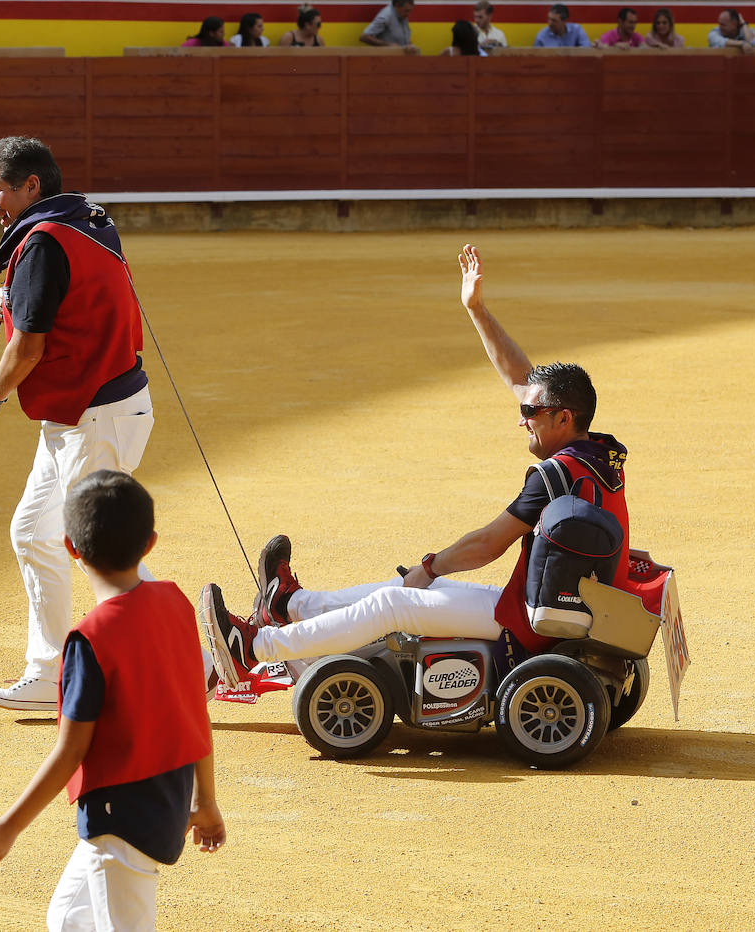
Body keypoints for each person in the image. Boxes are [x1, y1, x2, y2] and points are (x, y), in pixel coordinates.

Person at [199, 245, 635, 687]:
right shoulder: (600, 452)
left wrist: (429, 566)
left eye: (530, 414)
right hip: (563, 606)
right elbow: (523, 380)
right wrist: (477, 309)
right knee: (414, 591)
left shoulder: (553, 475)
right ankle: (291, 606)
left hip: (531, 623)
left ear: (564, 417)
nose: (520, 418)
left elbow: (487, 544)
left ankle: (251, 649)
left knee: (396, 603)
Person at [0, 470, 225, 930]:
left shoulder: (90, 640)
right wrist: (205, 800)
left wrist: (10, 825)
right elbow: (195, 711)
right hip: (167, 798)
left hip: (119, 821)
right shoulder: (174, 603)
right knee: (67, 920)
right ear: (150, 544)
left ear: (70, 547)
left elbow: (71, 750)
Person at [0, 137, 158, 713]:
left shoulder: (44, 242)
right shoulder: (85, 221)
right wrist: (13, 296)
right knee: (34, 532)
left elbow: (27, 346)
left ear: (31, 187)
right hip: (85, 414)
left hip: (96, 416)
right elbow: (65, 302)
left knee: (102, 550)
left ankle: (182, 662)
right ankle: (49, 671)